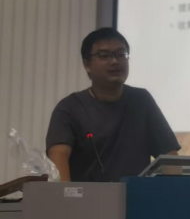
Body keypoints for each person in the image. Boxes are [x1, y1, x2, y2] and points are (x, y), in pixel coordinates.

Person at [46, 28, 181, 182]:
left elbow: (169, 158)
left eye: (121, 54)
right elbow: (58, 164)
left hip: (135, 196)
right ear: (87, 64)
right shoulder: (69, 108)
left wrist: (177, 191)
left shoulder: (142, 101)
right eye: (104, 56)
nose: (115, 61)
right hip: (86, 197)